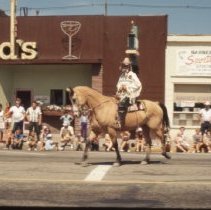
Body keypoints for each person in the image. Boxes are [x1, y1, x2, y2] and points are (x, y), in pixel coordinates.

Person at [116, 57, 142, 128]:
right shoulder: (121, 76)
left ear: (129, 66)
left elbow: (138, 85)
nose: (124, 67)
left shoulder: (132, 75)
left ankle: (121, 122)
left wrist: (127, 88)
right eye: (123, 65)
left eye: (126, 66)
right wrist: (120, 88)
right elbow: (118, 85)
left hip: (130, 95)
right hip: (121, 95)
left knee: (122, 103)